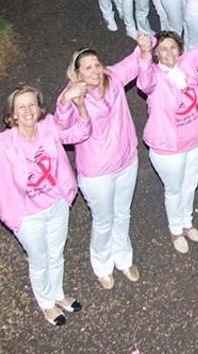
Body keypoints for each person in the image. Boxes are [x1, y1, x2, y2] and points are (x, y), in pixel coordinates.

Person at [0, 89, 91, 326]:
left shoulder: (49, 127)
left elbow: (80, 132)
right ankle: (46, 303)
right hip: (27, 215)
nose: (28, 111)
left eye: (32, 105)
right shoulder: (2, 143)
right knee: (39, 260)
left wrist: (80, 108)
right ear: (13, 115)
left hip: (57, 204)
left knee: (56, 254)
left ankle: (58, 294)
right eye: (21, 107)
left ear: (39, 109)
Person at [54, 42, 147, 290]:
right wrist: (64, 102)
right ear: (77, 74)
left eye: (97, 65)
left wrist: (145, 45)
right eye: (87, 68)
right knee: (104, 220)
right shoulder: (73, 96)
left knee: (123, 213)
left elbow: (135, 59)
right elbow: (61, 130)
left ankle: (124, 258)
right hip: (97, 173)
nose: (95, 71)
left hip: (127, 161)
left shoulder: (113, 79)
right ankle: (102, 265)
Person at [136, 6, 198, 254]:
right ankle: (175, 229)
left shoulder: (188, 64)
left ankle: (187, 222)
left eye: (173, 47)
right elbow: (143, 81)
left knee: (190, 184)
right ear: (156, 54)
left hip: (195, 140)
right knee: (174, 190)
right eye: (163, 49)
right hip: (168, 149)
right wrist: (143, 53)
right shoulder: (154, 76)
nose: (169, 52)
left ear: (180, 49)